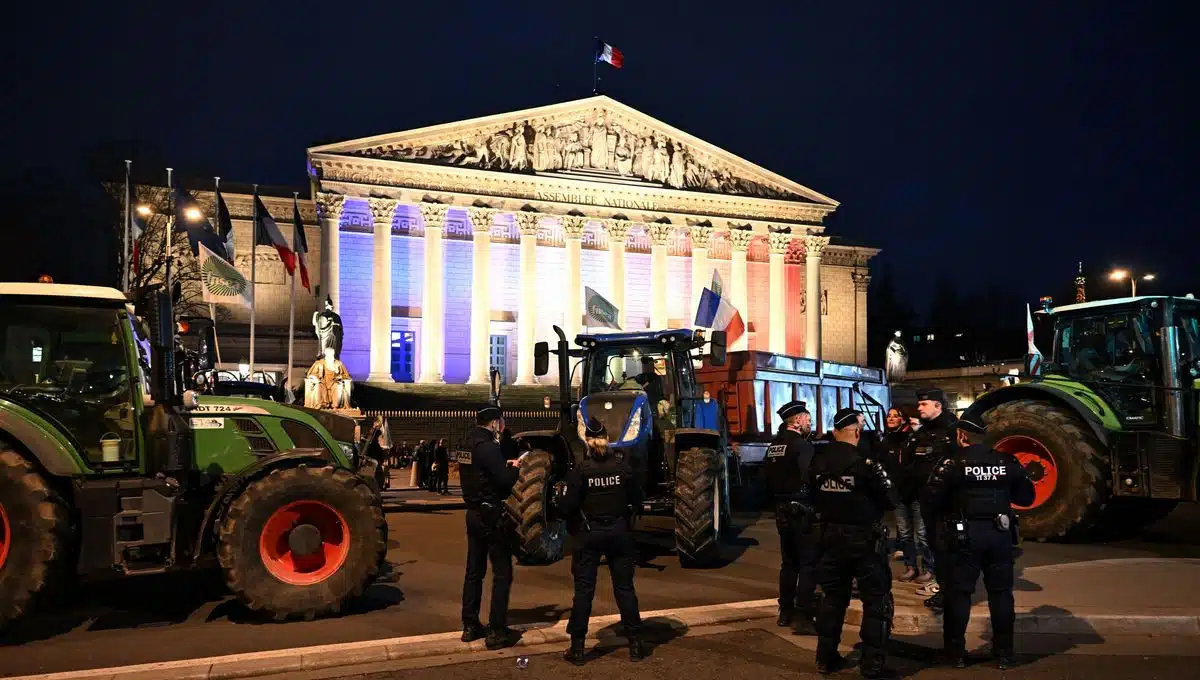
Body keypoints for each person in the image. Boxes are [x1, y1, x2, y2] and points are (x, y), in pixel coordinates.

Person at [922, 415, 1034, 670]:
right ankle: (1004, 654)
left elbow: (930, 501)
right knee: (1001, 594)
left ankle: (955, 653)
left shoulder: (952, 463)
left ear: (962, 436)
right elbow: (1026, 497)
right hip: (1000, 535)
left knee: (958, 594)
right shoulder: (1006, 462)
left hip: (963, 537)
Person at [809, 408, 898, 678]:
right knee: (876, 601)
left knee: (832, 599)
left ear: (835, 432)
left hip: (829, 537)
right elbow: (889, 499)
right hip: (863, 540)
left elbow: (811, 495)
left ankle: (825, 658)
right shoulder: (866, 463)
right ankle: (872, 664)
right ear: (857, 432)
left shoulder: (818, 461)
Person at [557, 417, 646, 665]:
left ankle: (577, 649)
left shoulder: (581, 471)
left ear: (587, 441)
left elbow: (567, 506)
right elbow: (637, 498)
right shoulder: (622, 466)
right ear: (607, 440)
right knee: (625, 589)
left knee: (584, 592)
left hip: (589, 535)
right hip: (619, 532)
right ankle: (636, 644)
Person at [459, 406, 523, 649]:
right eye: (501, 421)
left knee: (474, 571)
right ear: (495, 423)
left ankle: (470, 625)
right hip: (491, 514)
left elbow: (479, 470)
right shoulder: (488, 447)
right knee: (502, 572)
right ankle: (496, 630)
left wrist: (499, 464)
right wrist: (514, 467)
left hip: (472, 513)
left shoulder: (467, 445)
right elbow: (505, 482)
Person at [764, 400, 820, 634]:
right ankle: (803, 612)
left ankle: (785, 611)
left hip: (781, 510)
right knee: (808, 563)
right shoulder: (802, 446)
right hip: (802, 508)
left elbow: (765, 479)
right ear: (797, 421)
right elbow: (810, 477)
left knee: (789, 564)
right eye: (807, 418)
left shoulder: (773, 447)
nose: (809, 422)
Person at [907, 387, 958, 609]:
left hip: (947, 501)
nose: (919, 408)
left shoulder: (952, 429)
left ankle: (950, 591)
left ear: (938, 405)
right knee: (935, 545)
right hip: (926, 499)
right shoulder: (923, 430)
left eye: (923, 404)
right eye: (919, 404)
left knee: (947, 547)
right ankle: (942, 586)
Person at [881, 408, 925, 580]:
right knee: (905, 533)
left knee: (921, 534)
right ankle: (910, 567)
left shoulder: (911, 439)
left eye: (895, 416)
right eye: (889, 416)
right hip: (898, 494)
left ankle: (929, 569)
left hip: (914, 493)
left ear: (903, 420)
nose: (891, 419)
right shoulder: (885, 440)